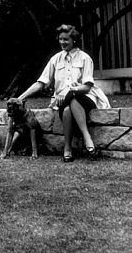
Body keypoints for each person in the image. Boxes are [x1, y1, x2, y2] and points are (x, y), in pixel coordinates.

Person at [18, 24, 110, 162]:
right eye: (60, 39)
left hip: (85, 98)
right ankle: (73, 146)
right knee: (67, 108)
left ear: (74, 40)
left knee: (72, 96)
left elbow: (87, 87)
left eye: (66, 39)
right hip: (63, 101)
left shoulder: (84, 58)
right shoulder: (55, 59)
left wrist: (70, 90)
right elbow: (41, 82)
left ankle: (81, 140)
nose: (62, 42)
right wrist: (20, 98)